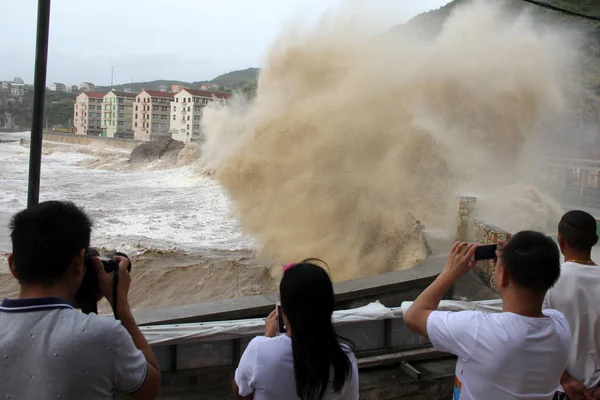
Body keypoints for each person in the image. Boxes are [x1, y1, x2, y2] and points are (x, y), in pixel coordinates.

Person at [0, 201, 161, 399]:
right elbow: (150, 387)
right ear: (79, 262)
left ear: (13, 264)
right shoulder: (104, 334)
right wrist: (121, 306)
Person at [404, 231, 571, 400]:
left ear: (504, 276)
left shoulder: (478, 331)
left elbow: (414, 315)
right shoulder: (561, 325)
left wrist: (450, 272)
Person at [233, 259, 358, 400]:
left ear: (283, 309)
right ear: (329, 307)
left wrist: (267, 336)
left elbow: (241, 393)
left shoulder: (259, 350)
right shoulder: (345, 361)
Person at [544, 210, 600, 400]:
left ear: (560, 240)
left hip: (562, 389)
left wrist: (566, 379)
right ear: (595, 240)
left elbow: (541, 336)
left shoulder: (549, 282)